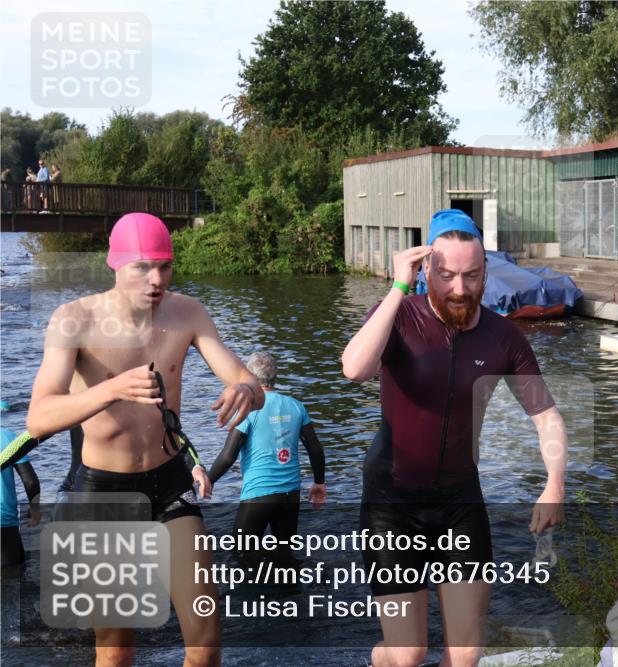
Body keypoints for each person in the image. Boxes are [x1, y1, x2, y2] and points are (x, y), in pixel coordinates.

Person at [23, 211, 264, 667]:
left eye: (164, 266)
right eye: (142, 267)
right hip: (102, 493)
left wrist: (246, 390)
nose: (156, 279)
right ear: (114, 264)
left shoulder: (186, 312)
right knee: (116, 652)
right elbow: (38, 419)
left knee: (207, 641)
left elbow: (246, 380)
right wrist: (110, 389)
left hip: (171, 484)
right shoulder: (73, 320)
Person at [341, 209, 568, 667]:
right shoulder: (398, 315)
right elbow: (355, 369)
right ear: (426, 269)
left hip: (460, 504)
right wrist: (396, 288)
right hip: (393, 503)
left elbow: (545, 415)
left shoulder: (503, 336)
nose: (459, 288)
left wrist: (555, 482)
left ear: (487, 272)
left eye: (471, 275)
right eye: (446, 275)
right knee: (407, 656)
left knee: (465, 655)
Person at [207, 351, 327, 566]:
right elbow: (315, 449)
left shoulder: (249, 408)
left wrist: (207, 481)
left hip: (258, 496)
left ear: (250, 377)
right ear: (275, 376)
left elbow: (228, 455)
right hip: (290, 496)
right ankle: (290, 595)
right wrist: (319, 482)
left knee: (242, 558)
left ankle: (255, 596)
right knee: (286, 558)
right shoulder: (295, 406)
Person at [0, 401, 41, 579]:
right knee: (13, 583)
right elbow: (30, 480)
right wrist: (34, 508)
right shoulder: (7, 437)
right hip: (4, 526)